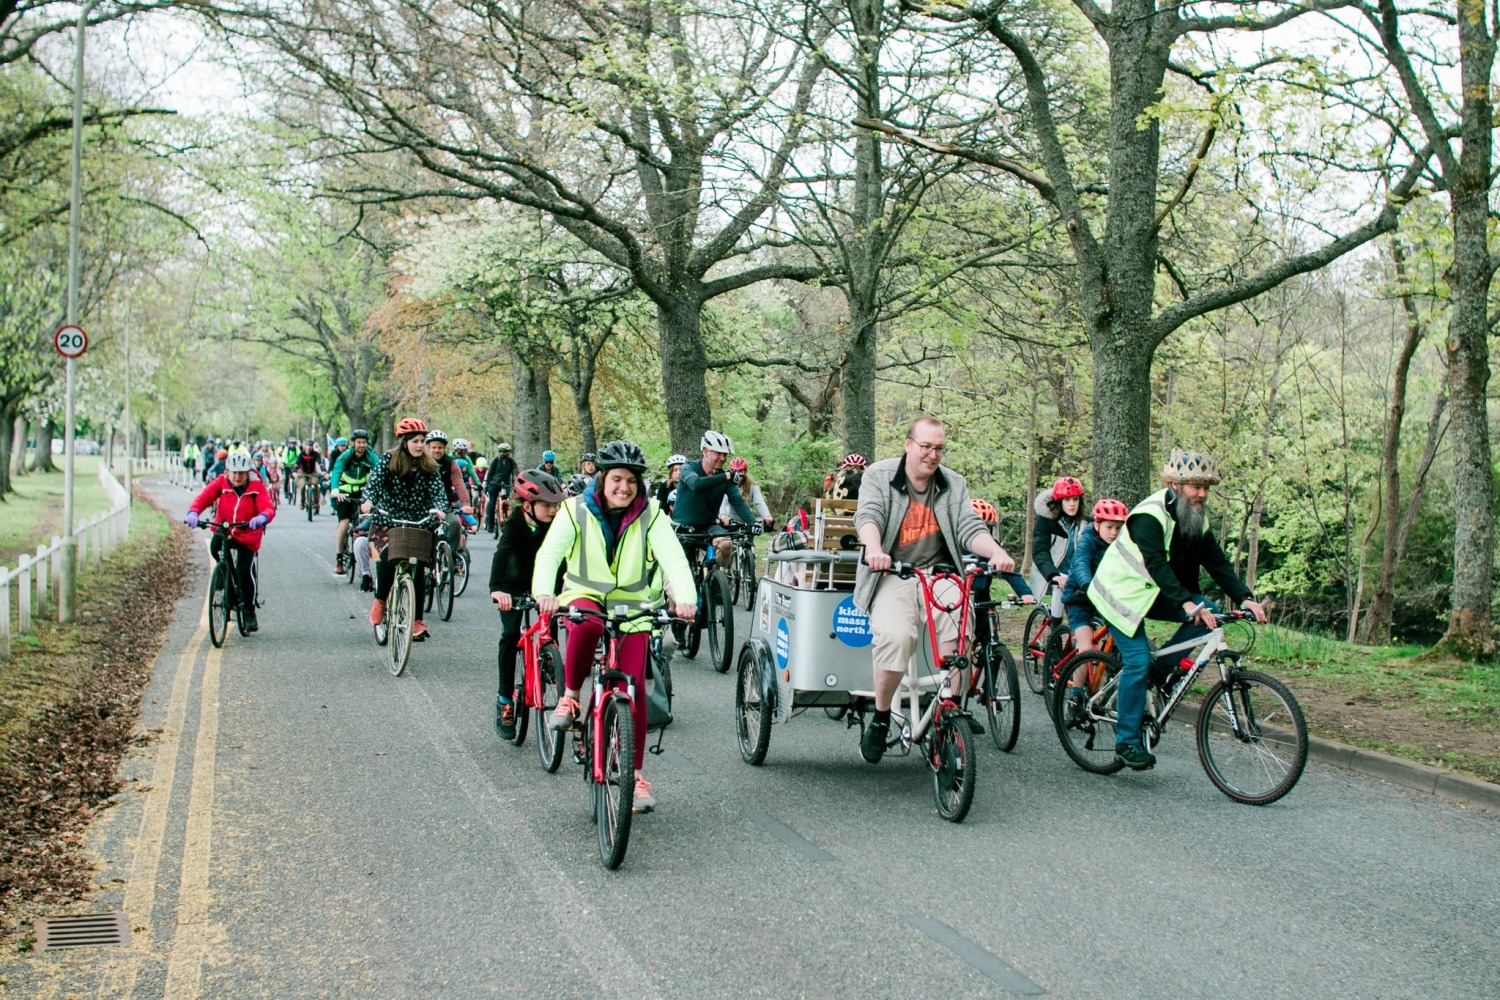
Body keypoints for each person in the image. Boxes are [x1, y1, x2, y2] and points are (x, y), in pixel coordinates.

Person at [533, 440, 697, 814]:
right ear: (603, 478)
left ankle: (635, 774)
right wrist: (544, 592)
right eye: (617, 479)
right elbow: (550, 554)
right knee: (587, 626)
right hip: (584, 593)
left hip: (634, 604)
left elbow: (672, 556)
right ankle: (571, 696)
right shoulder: (574, 511)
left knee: (635, 689)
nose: (624, 487)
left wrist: (686, 598)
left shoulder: (651, 513)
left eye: (632, 481)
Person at [1087, 449, 1268, 771]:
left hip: (1153, 592)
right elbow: (1156, 564)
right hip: (1120, 593)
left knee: (1209, 613)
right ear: (1173, 484)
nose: (1201, 493)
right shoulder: (1149, 515)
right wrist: (1186, 602)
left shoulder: (1196, 514)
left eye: (1206, 487)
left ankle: (1160, 671)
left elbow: (1215, 561)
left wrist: (1244, 597)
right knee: (1138, 660)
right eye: (1194, 486)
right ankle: (1127, 742)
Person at [852, 415, 1016, 764]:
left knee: (960, 633)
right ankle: (881, 717)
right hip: (893, 571)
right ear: (908, 445)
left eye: (939, 448)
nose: (932, 454)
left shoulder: (953, 483)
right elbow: (869, 516)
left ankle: (949, 711)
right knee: (896, 636)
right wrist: (875, 549)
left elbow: (969, 527)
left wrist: (997, 552)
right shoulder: (880, 475)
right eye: (926, 446)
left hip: (940, 573)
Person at [489, 470, 568, 739]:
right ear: (528, 506)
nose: (552, 510)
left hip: (544, 587)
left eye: (555, 505)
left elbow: (564, 558)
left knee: (550, 625)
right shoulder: (514, 523)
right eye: (546, 505)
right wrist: (497, 589)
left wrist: (565, 591)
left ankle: (549, 665)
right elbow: (502, 552)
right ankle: (504, 700)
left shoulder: (555, 524)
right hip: (512, 587)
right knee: (511, 635)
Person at [363, 418, 449, 642]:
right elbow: (373, 486)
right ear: (404, 442)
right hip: (388, 519)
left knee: (417, 565)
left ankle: (417, 619)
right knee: (385, 557)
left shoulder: (429, 466)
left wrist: (439, 510)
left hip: (418, 521)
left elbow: (439, 493)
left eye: (423, 441)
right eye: (416, 441)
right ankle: (380, 601)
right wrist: (368, 502)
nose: (420, 445)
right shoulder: (388, 460)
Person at [185, 451, 275, 632]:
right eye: (233, 472)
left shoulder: (256, 485)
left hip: (247, 532)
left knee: (243, 570)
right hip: (225, 528)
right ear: (227, 471)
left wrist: (262, 517)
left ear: (247, 472)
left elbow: (268, 506)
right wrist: (193, 512)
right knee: (215, 547)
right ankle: (223, 571)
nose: (237, 476)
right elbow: (204, 497)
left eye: (241, 473)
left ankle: (249, 610)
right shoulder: (221, 481)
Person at [1057, 497, 1129, 713]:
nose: (1114, 532)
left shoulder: (1121, 544)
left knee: (1120, 637)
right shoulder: (1088, 539)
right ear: (1097, 525)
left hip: (1104, 598)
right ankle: (1076, 695)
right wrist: (1087, 584)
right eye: (1109, 527)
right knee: (1086, 648)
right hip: (1080, 597)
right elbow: (1080, 563)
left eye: (1118, 527)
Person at [672, 430, 761, 565]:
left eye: (725, 454)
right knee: (684, 568)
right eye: (718, 453)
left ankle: (714, 579)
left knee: (725, 544)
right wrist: (725, 476)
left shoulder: (725, 478)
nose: (723, 458)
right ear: (706, 451)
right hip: (684, 527)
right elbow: (696, 484)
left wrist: (752, 522)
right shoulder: (689, 468)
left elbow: (737, 501)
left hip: (708, 525)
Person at [1029, 475, 1087, 611]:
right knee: (1059, 593)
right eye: (1067, 500)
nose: (1072, 504)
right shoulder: (1046, 522)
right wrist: (1053, 574)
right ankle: (1055, 628)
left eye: (1075, 499)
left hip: (1077, 573)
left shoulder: (1085, 523)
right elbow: (1040, 551)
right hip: (1052, 572)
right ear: (1059, 502)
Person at [330, 429, 377, 576]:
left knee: (372, 522)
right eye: (359, 442)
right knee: (344, 524)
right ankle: (339, 557)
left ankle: (375, 558)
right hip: (344, 493)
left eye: (364, 442)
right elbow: (336, 472)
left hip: (363, 492)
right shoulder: (345, 456)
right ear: (353, 443)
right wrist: (335, 491)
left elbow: (379, 471)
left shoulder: (371, 455)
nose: (361, 445)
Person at [424, 430, 474, 556]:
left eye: (440, 447)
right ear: (428, 447)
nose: (437, 450)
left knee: (455, 523)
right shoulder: (421, 462)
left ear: (444, 448)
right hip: (423, 505)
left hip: (445, 504)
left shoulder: (451, 463)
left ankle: (451, 556)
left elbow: (459, 484)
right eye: (434, 447)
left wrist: (466, 503)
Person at [717, 457, 775, 530]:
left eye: (740, 471)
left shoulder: (752, 486)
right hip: (729, 521)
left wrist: (767, 515)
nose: (737, 474)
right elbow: (723, 502)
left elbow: (760, 502)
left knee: (749, 539)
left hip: (746, 521)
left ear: (745, 471)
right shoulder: (728, 484)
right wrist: (723, 515)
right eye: (734, 471)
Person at [484, 443, 518, 532]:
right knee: (492, 503)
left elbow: (516, 472)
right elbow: (490, 473)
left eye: (504, 452)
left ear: (508, 452)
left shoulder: (511, 461)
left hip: (506, 484)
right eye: (500, 451)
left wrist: (518, 480)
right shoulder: (495, 460)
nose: (502, 453)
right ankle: (490, 525)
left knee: (506, 500)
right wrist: (487, 485)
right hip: (494, 483)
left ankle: (506, 518)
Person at [294, 439, 324, 511]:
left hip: (312, 472)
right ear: (305, 446)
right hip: (303, 472)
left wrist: (323, 470)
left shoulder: (315, 454)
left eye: (310, 446)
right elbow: (296, 463)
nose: (309, 447)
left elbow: (319, 463)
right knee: (302, 485)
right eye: (307, 445)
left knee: (316, 484)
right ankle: (302, 502)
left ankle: (316, 502)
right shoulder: (301, 454)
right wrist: (294, 471)